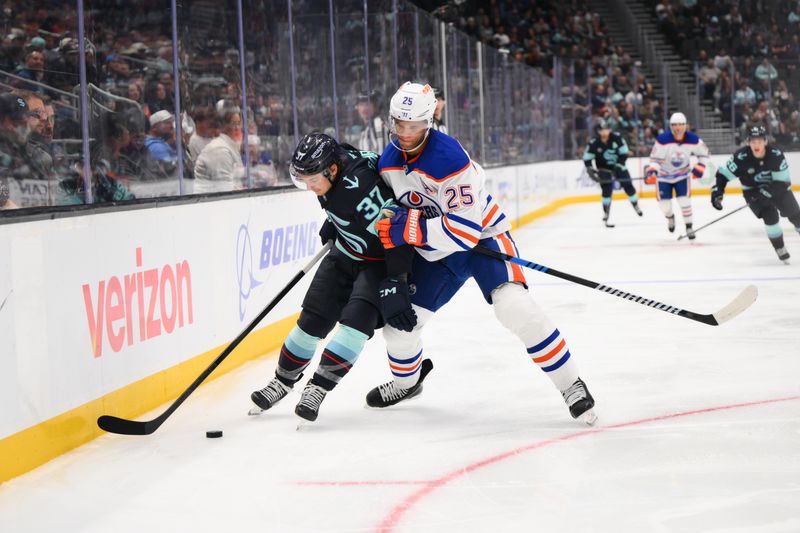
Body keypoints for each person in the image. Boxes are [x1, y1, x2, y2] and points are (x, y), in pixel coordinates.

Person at [366, 82, 597, 424]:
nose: (404, 132)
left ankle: (571, 384)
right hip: (436, 253)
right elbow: (388, 212)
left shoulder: (449, 159)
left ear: (428, 122)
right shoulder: (389, 162)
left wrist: (410, 229)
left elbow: (464, 232)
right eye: (399, 124)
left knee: (515, 307)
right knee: (399, 330)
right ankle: (408, 383)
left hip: (482, 240)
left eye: (413, 126)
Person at [249, 132, 414, 422]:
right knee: (311, 321)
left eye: (314, 180)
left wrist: (396, 278)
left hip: (378, 264)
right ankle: (283, 381)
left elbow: (394, 228)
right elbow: (343, 202)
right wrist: (336, 224)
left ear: (332, 169)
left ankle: (318, 388)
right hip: (344, 254)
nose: (311, 187)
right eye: (305, 181)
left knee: (354, 326)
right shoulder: (337, 162)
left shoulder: (358, 187)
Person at [711, 126, 800, 262]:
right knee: (770, 217)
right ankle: (779, 247)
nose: (756, 144)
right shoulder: (741, 157)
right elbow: (723, 175)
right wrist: (717, 192)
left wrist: (766, 192)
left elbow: (783, 183)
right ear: (748, 142)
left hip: (778, 188)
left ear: (765, 141)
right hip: (752, 192)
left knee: (795, 215)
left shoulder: (776, 155)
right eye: (753, 141)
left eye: (759, 141)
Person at [645, 112, 710, 239]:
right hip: (663, 177)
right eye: (675, 125)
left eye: (681, 124)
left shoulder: (693, 139)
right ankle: (670, 217)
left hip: (682, 176)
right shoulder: (662, 140)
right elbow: (655, 159)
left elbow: (704, 154)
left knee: (684, 201)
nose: (678, 128)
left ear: (686, 125)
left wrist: (700, 167)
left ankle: (689, 226)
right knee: (665, 207)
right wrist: (652, 170)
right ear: (671, 126)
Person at [583, 119, 643, 226]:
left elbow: (624, 152)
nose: (605, 132)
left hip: (619, 165)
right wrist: (590, 169)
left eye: (607, 129)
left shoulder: (617, 138)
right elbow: (587, 158)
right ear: (598, 131)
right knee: (606, 189)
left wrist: (620, 164)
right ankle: (606, 212)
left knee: (628, 185)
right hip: (603, 168)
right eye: (602, 130)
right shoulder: (594, 143)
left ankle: (635, 204)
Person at [193, 107, 244, 192]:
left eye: (239, 123)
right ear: (224, 126)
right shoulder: (219, 150)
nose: (237, 128)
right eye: (233, 124)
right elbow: (224, 189)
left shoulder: (230, 146)